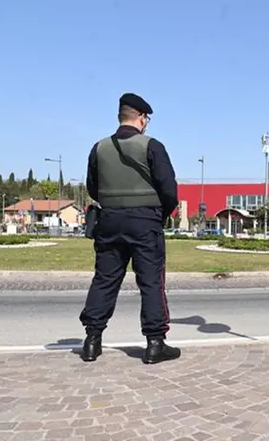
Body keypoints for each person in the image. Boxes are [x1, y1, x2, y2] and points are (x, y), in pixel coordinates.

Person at [79, 92, 181, 365]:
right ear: (142, 118)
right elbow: (169, 189)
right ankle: (155, 343)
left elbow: (93, 187)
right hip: (145, 222)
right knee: (150, 282)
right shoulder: (152, 146)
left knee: (105, 279)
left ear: (120, 117)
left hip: (109, 220)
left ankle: (92, 340)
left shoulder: (99, 148)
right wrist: (160, 213)